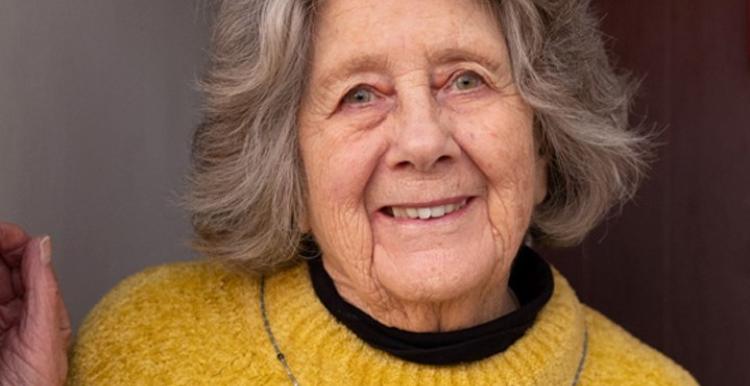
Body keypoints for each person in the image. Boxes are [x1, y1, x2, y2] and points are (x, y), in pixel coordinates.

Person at [1, 0, 699, 384]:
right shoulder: (139, 346)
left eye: (466, 79)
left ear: (545, 140)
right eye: (361, 94)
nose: (424, 142)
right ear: (288, 163)